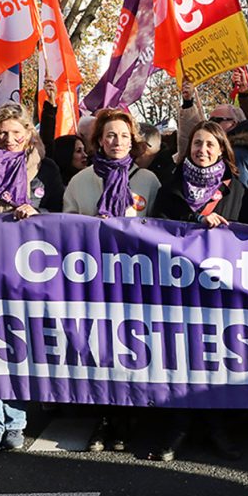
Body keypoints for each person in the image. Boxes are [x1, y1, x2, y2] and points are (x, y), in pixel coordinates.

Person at [0, 103, 64, 452]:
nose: (10, 139)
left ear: (29, 133)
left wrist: (38, 213)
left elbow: (60, 215)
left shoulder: (45, 168)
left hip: (30, 269)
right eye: (3, 133)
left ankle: (16, 420)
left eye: (17, 133)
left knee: (19, 345)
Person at [64, 109, 160, 453]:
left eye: (122, 135)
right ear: (98, 141)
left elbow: (166, 230)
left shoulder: (147, 181)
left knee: (134, 349)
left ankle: (131, 419)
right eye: (109, 136)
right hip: (95, 280)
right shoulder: (81, 181)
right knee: (103, 351)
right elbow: (66, 230)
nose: (116, 142)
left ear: (131, 139)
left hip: (138, 281)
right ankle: (107, 420)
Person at [149, 120, 245, 462]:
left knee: (216, 360)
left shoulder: (236, 191)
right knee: (180, 359)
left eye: (209, 145)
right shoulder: (169, 187)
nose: (202, 150)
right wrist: (194, 223)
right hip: (177, 289)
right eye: (197, 144)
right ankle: (177, 428)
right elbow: (155, 233)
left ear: (222, 150)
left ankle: (216, 427)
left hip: (220, 292)